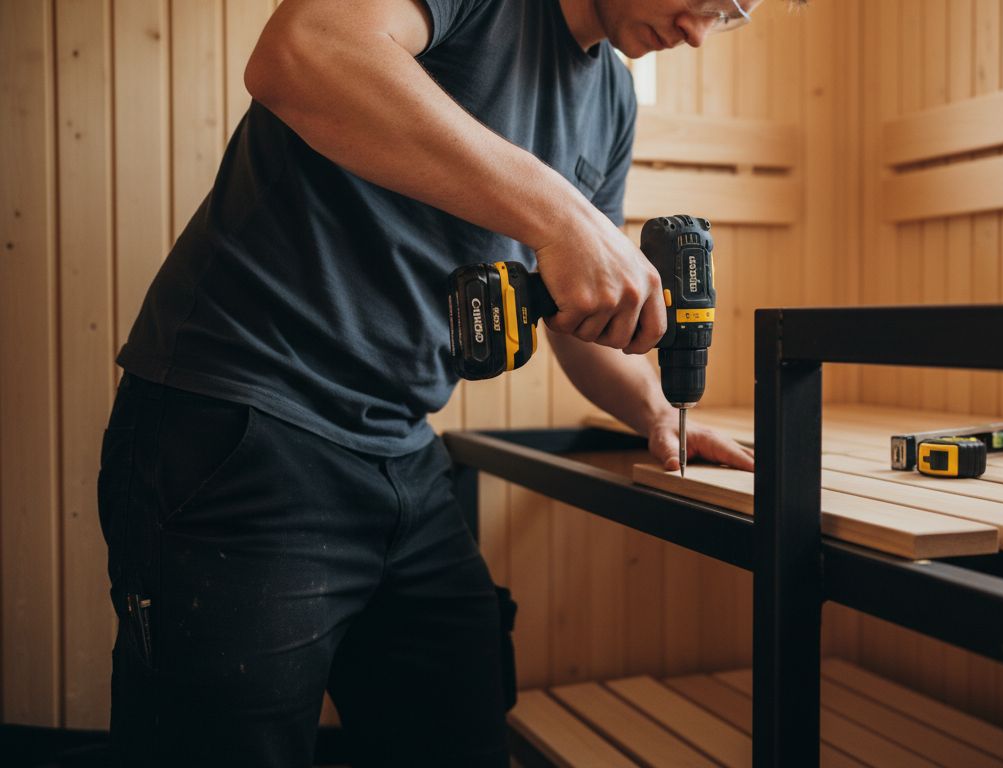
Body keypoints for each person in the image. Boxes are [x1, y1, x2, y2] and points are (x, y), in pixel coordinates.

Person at [96, 0, 768, 765]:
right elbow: (302, 50)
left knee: (461, 736)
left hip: (402, 451)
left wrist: (657, 412)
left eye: (732, 16)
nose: (699, 33)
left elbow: (573, 321)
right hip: (241, 421)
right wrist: (562, 217)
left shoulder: (610, 99)